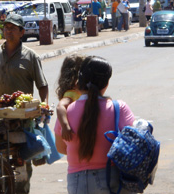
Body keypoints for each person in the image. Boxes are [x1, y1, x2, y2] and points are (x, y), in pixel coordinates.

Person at [0, 13, 49, 194]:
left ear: (22, 32)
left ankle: (21, 189)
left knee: (20, 165)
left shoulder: (30, 56)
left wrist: (44, 105)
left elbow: (42, 85)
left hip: (21, 121)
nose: (8, 31)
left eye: (13, 28)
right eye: (6, 27)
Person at [54, 56, 135, 194]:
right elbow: (132, 145)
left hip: (77, 183)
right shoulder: (118, 108)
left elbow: (61, 148)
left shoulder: (66, 111)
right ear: (106, 83)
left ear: (79, 81)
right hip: (111, 180)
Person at [55, 54, 86, 141]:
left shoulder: (75, 91)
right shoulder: (71, 93)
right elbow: (60, 106)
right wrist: (65, 126)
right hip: (73, 131)